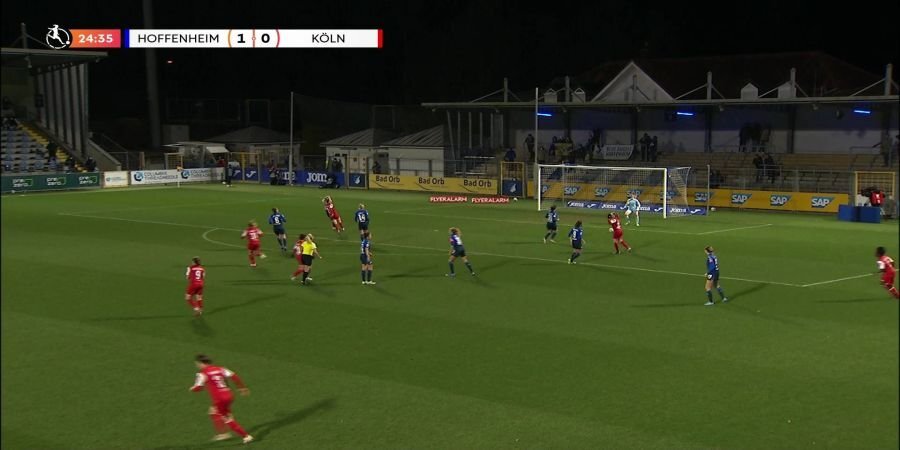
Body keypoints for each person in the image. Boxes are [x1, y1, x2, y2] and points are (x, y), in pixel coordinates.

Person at [189, 354, 254, 444]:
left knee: (226, 418)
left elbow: (198, 388)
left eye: (197, 364)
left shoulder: (202, 373)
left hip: (220, 399)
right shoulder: (221, 369)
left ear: (200, 363)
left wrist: (192, 388)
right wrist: (242, 388)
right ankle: (222, 434)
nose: (197, 365)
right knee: (212, 411)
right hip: (228, 395)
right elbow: (234, 376)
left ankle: (246, 436)